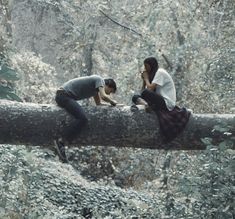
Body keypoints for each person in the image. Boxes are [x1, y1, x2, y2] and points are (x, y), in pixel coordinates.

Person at [54, 75, 117, 162]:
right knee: (83, 119)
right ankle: (61, 141)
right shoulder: (99, 80)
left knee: (82, 118)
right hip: (64, 95)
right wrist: (112, 101)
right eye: (110, 91)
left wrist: (113, 105)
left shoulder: (95, 91)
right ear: (108, 85)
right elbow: (103, 96)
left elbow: (99, 104)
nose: (109, 94)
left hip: (64, 96)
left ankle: (61, 145)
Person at [132, 57, 191, 143]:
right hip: (158, 101)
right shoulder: (154, 75)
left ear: (152, 66)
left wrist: (146, 78)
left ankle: (147, 105)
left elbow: (149, 89)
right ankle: (146, 105)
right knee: (135, 97)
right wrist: (144, 80)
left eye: (146, 66)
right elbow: (142, 92)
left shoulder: (160, 72)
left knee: (145, 92)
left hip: (167, 103)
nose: (145, 69)